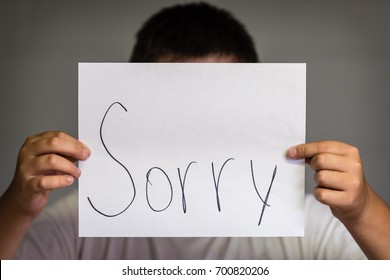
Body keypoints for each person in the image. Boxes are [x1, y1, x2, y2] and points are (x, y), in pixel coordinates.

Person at [1, 2, 389, 260]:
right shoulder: (76, 225)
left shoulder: (312, 227)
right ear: (135, 112)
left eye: (221, 107)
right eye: (177, 108)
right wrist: (16, 209)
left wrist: (362, 210)